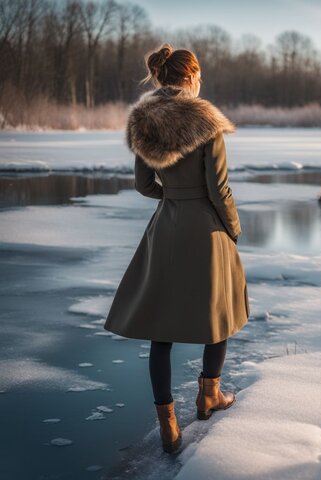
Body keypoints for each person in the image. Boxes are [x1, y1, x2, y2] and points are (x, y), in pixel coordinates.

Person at [103, 43, 250, 454]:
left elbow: (144, 185)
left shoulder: (144, 121)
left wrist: (173, 199)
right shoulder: (207, 120)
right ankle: (209, 396)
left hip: (167, 227)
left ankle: (167, 424)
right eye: (199, 75)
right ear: (190, 77)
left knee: (161, 329)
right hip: (206, 228)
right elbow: (218, 188)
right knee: (218, 312)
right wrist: (233, 228)